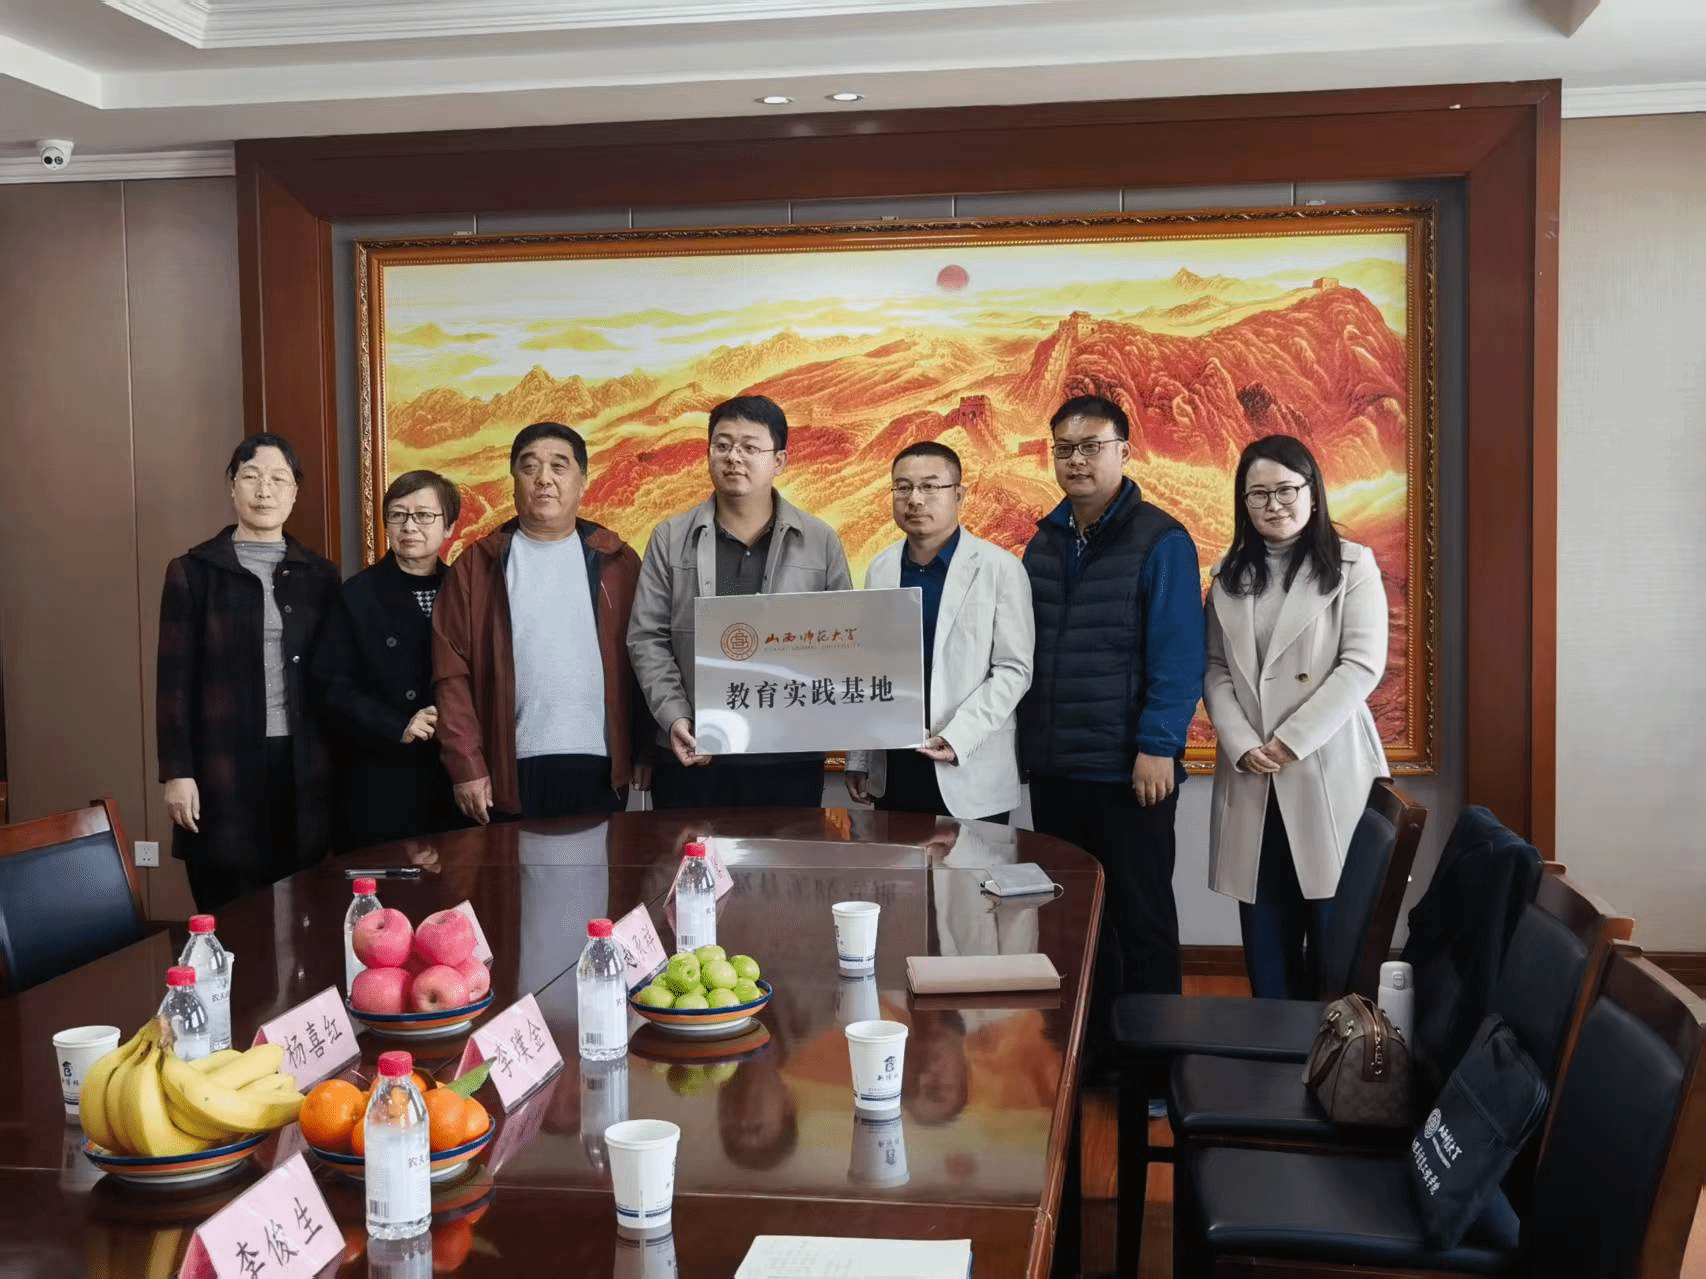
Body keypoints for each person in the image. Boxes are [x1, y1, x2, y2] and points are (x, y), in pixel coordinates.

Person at [1018, 394, 1206, 1017]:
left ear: (1124, 451)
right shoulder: (1045, 543)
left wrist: (1158, 745)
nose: (1077, 460)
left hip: (1128, 772)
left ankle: (1154, 1059)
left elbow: (1179, 653)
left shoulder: (1161, 539)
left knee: (1140, 918)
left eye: (1091, 447)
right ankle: (1087, 1053)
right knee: (1068, 919)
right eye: (1064, 449)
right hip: (1056, 769)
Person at [1204, 434, 1389, 999]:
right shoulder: (1227, 576)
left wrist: (1291, 741)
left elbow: (1362, 665)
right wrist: (1241, 742)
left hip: (1325, 765)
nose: (1274, 504)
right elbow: (1214, 668)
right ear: (1244, 502)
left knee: (1336, 943)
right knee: (1267, 944)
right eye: (1258, 493)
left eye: (1286, 490)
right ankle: (1272, 1048)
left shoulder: (1352, 566)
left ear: (1312, 492)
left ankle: (1336, 1053)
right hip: (1251, 771)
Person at [627, 395, 853, 809]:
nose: (734, 457)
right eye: (722, 445)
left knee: (788, 855)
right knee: (688, 853)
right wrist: (676, 717)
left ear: (779, 461)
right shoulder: (670, 538)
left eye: (750, 447)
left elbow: (844, 642)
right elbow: (647, 638)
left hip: (789, 755)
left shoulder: (820, 541)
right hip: (694, 750)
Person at [156, 433, 341, 911]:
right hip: (222, 763)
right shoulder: (193, 572)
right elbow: (173, 683)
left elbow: (335, 679)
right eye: (251, 477)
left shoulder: (320, 576)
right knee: (230, 903)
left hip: (302, 762)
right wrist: (177, 773)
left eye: (279, 479)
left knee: (304, 906)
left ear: (294, 492)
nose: (264, 491)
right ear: (232, 486)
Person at [431, 422, 650, 824]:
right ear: (514, 482)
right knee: (511, 867)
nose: (544, 479)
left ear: (583, 481)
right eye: (529, 467)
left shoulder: (617, 561)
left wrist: (643, 750)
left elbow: (646, 657)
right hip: (508, 767)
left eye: (559, 466)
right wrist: (466, 765)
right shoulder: (477, 566)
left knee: (601, 866)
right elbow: (451, 675)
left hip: (599, 763)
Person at [844, 442, 1033, 823]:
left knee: (972, 864)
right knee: (897, 861)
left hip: (969, 760)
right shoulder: (881, 568)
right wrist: (860, 757)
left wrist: (958, 736)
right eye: (903, 487)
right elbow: (869, 667)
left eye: (930, 487)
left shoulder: (1000, 568)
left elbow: (1014, 670)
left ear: (959, 495)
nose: (915, 499)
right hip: (896, 765)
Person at [311, 470, 465, 851]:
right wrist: (398, 724)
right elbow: (330, 688)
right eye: (398, 515)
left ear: (449, 527)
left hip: (453, 775)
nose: (409, 526)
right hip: (380, 776)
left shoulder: (465, 591)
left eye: (423, 515)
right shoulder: (357, 594)